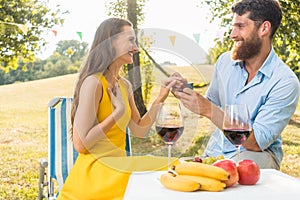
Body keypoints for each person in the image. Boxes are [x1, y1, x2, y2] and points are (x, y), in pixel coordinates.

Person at [57, 18, 179, 199]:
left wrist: (161, 97)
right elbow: (80, 144)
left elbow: (139, 129)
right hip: (95, 173)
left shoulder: (125, 85)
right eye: (130, 40)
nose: (136, 47)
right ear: (110, 41)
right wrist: (118, 113)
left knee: (175, 166)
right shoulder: (93, 83)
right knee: (170, 170)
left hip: (119, 168)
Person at [174, 0, 299, 169]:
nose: (232, 34)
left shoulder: (284, 82)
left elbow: (255, 143)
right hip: (216, 151)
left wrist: (208, 110)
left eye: (240, 26)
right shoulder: (225, 61)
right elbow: (212, 103)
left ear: (264, 28)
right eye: (233, 27)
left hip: (257, 156)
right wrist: (186, 91)